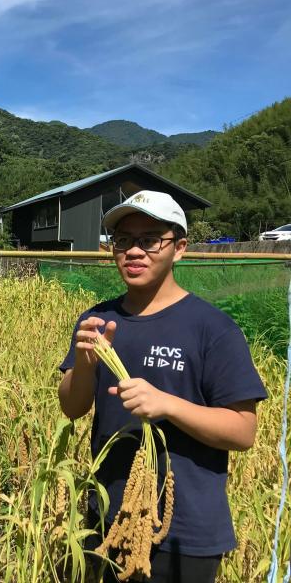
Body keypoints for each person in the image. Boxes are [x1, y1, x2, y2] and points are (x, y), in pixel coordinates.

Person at [58, 190, 266, 582]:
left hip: (184, 531)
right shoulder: (97, 320)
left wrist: (167, 404)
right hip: (109, 519)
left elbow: (243, 431)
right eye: (123, 240)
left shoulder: (213, 329)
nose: (134, 251)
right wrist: (85, 364)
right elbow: (72, 407)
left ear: (179, 248)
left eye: (150, 240)